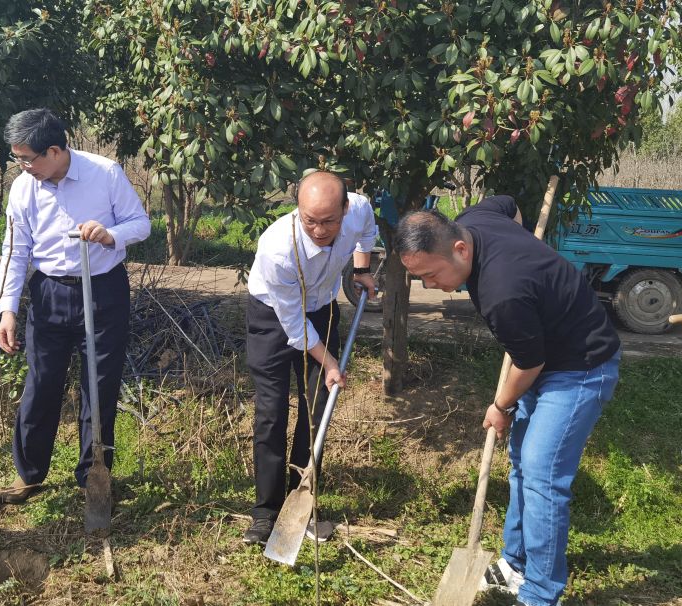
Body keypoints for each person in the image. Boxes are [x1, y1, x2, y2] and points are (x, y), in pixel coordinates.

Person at [395, 198, 620, 606]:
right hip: (543, 352)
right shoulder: (472, 219)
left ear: (460, 249)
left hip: (580, 366)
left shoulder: (503, 291)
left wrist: (500, 407)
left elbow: (529, 363)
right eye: (420, 278)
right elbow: (510, 206)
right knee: (522, 463)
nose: (429, 286)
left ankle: (540, 594)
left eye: (431, 274)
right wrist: (525, 245)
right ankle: (515, 563)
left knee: (542, 475)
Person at [0, 108, 150, 505]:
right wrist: (8, 309)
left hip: (103, 292)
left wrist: (109, 234)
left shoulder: (105, 173)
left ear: (55, 150)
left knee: (99, 386)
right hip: (49, 293)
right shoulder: (23, 188)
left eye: (28, 159)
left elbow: (140, 223)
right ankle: (29, 473)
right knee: (41, 384)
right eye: (18, 159)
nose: (23, 167)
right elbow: (15, 250)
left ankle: (93, 476)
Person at [242, 171, 378, 545]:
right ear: (298, 210)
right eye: (310, 221)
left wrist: (362, 269)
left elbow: (367, 231)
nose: (319, 230)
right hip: (273, 316)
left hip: (321, 310)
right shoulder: (277, 249)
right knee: (271, 412)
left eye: (329, 221)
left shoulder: (358, 209)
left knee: (318, 409)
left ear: (345, 208)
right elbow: (293, 326)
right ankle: (265, 514)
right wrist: (330, 361)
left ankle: (300, 504)